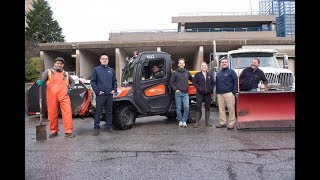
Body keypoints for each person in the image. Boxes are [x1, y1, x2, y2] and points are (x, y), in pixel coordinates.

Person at [36, 57, 75, 138]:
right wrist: (40, 81)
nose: (59, 65)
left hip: (64, 96)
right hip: (51, 96)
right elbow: (42, 80)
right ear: (54, 63)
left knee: (67, 113)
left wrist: (70, 88)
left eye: (61, 64)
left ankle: (68, 132)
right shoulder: (48, 72)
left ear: (63, 65)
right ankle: (54, 131)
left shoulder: (66, 74)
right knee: (52, 114)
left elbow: (72, 82)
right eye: (57, 63)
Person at [90, 54, 117, 136]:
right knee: (98, 112)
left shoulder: (111, 70)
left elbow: (114, 81)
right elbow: (93, 81)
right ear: (100, 60)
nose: (104, 60)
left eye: (106, 59)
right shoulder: (96, 70)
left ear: (108, 60)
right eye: (103, 59)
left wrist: (114, 89)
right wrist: (97, 91)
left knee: (109, 112)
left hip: (109, 95)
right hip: (100, 95)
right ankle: (96, 128)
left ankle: (109, 127)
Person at [215, 57, 238, 130]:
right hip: (220, 94)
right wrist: (217, 92)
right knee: (221, 109)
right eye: (222, 62)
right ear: (220, 64)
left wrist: (233, 92)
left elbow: (236, 82)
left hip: (229, 93)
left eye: (225, 62)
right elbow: (217, 83)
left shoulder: (231, 72)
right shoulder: (218, 73)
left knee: (231, 109)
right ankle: (222, 122)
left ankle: (231, 123)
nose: (224, 63)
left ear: (227, 63)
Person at [169, 58, 193, 128]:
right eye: (180, 63)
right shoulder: (175, 73)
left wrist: (200, 84)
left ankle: (184, 121)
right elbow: (171, 82)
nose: (181, 64)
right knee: (178, 108)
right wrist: (175, 89)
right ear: (178, 64)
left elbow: (192, 80)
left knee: (186, 107)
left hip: (185, 93)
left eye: (183, 63)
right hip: (178, 93)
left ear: (184, 64)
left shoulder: (187, 72)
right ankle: (180, 121)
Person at [192, 62, 215, 128]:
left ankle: (207, 122)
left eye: (205, 66)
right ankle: (197, 122)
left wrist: (210, 89)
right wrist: (199, 88)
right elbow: (194, 82)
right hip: (199, 93)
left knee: (207, 107)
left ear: (207, 67)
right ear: (201, 67)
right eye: (202, 66)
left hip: (207, 94)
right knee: (198, 106)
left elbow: (213, 83)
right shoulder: (197, 74)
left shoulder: (210, 75)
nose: (204, 67)